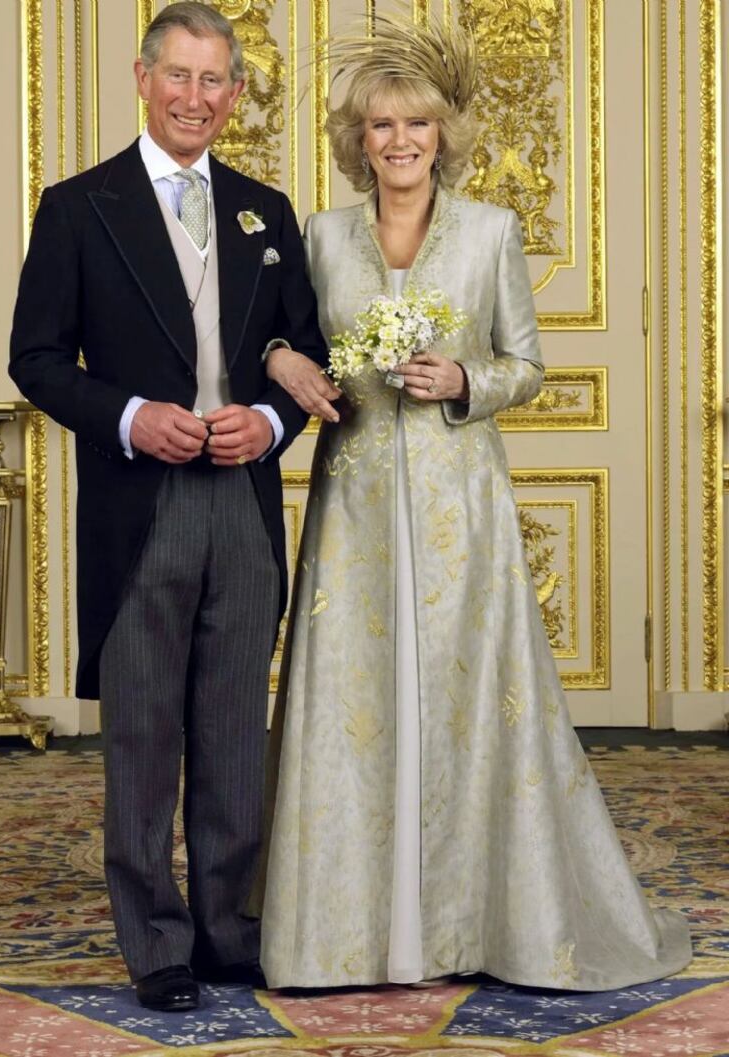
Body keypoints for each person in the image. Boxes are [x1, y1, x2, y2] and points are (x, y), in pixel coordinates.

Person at [258, 13, 691, 991]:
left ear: (442, 135)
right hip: (354, 507)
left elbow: (525, 366)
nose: (399, 141)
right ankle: (341, 937)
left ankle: (467, 926)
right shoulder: (320, 237)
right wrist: (286, 361)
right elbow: (282, 341)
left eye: (416, 124)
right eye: (380, 125)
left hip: (462, 509)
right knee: (353, 704)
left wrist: (462, 379)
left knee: (461, 700)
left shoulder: (491, 231)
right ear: (356, 140)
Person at [9, 2, 326, 1012]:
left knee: (233, 729)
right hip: (139, 504)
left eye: (213, 79)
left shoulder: (265, 210)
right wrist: (131, 416)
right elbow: (36, 359)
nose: (195, 97)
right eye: (178, 75)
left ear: (235, 93)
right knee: (144, 732)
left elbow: (304, 353)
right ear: (143, 79)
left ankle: (228, 928)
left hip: (241, 501)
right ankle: (155, 942)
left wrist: (268, 424)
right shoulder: (77, 206)